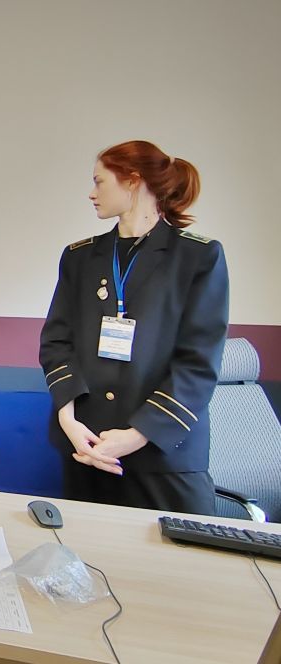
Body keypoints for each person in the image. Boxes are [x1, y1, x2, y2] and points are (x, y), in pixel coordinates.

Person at [39, 140, 229, 515]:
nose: (91, 193)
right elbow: (56, 343)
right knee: (88, 551)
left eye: (99, 181)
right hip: (87, 446)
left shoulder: (197, 256)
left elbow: (198, 363)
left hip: (162, 453)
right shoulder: (79, 257)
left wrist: (137, 435)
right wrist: (68, 419)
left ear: (132, 180)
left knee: (177, 554)